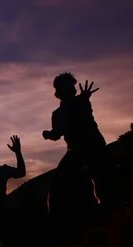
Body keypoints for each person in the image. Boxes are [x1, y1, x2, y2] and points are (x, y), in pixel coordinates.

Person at [42, 72, 109, 217]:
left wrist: (49, 134)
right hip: (77, 151)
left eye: (72, 87)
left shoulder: (81, 102)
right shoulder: (60, 112)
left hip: (92, 147)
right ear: (58, 93)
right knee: (58, 186)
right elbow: (57, 134)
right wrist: (48, 134)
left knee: (101, 180)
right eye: (67, 88)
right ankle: (60, 219)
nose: (72, 90)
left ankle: (108, 212)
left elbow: (57, 133)